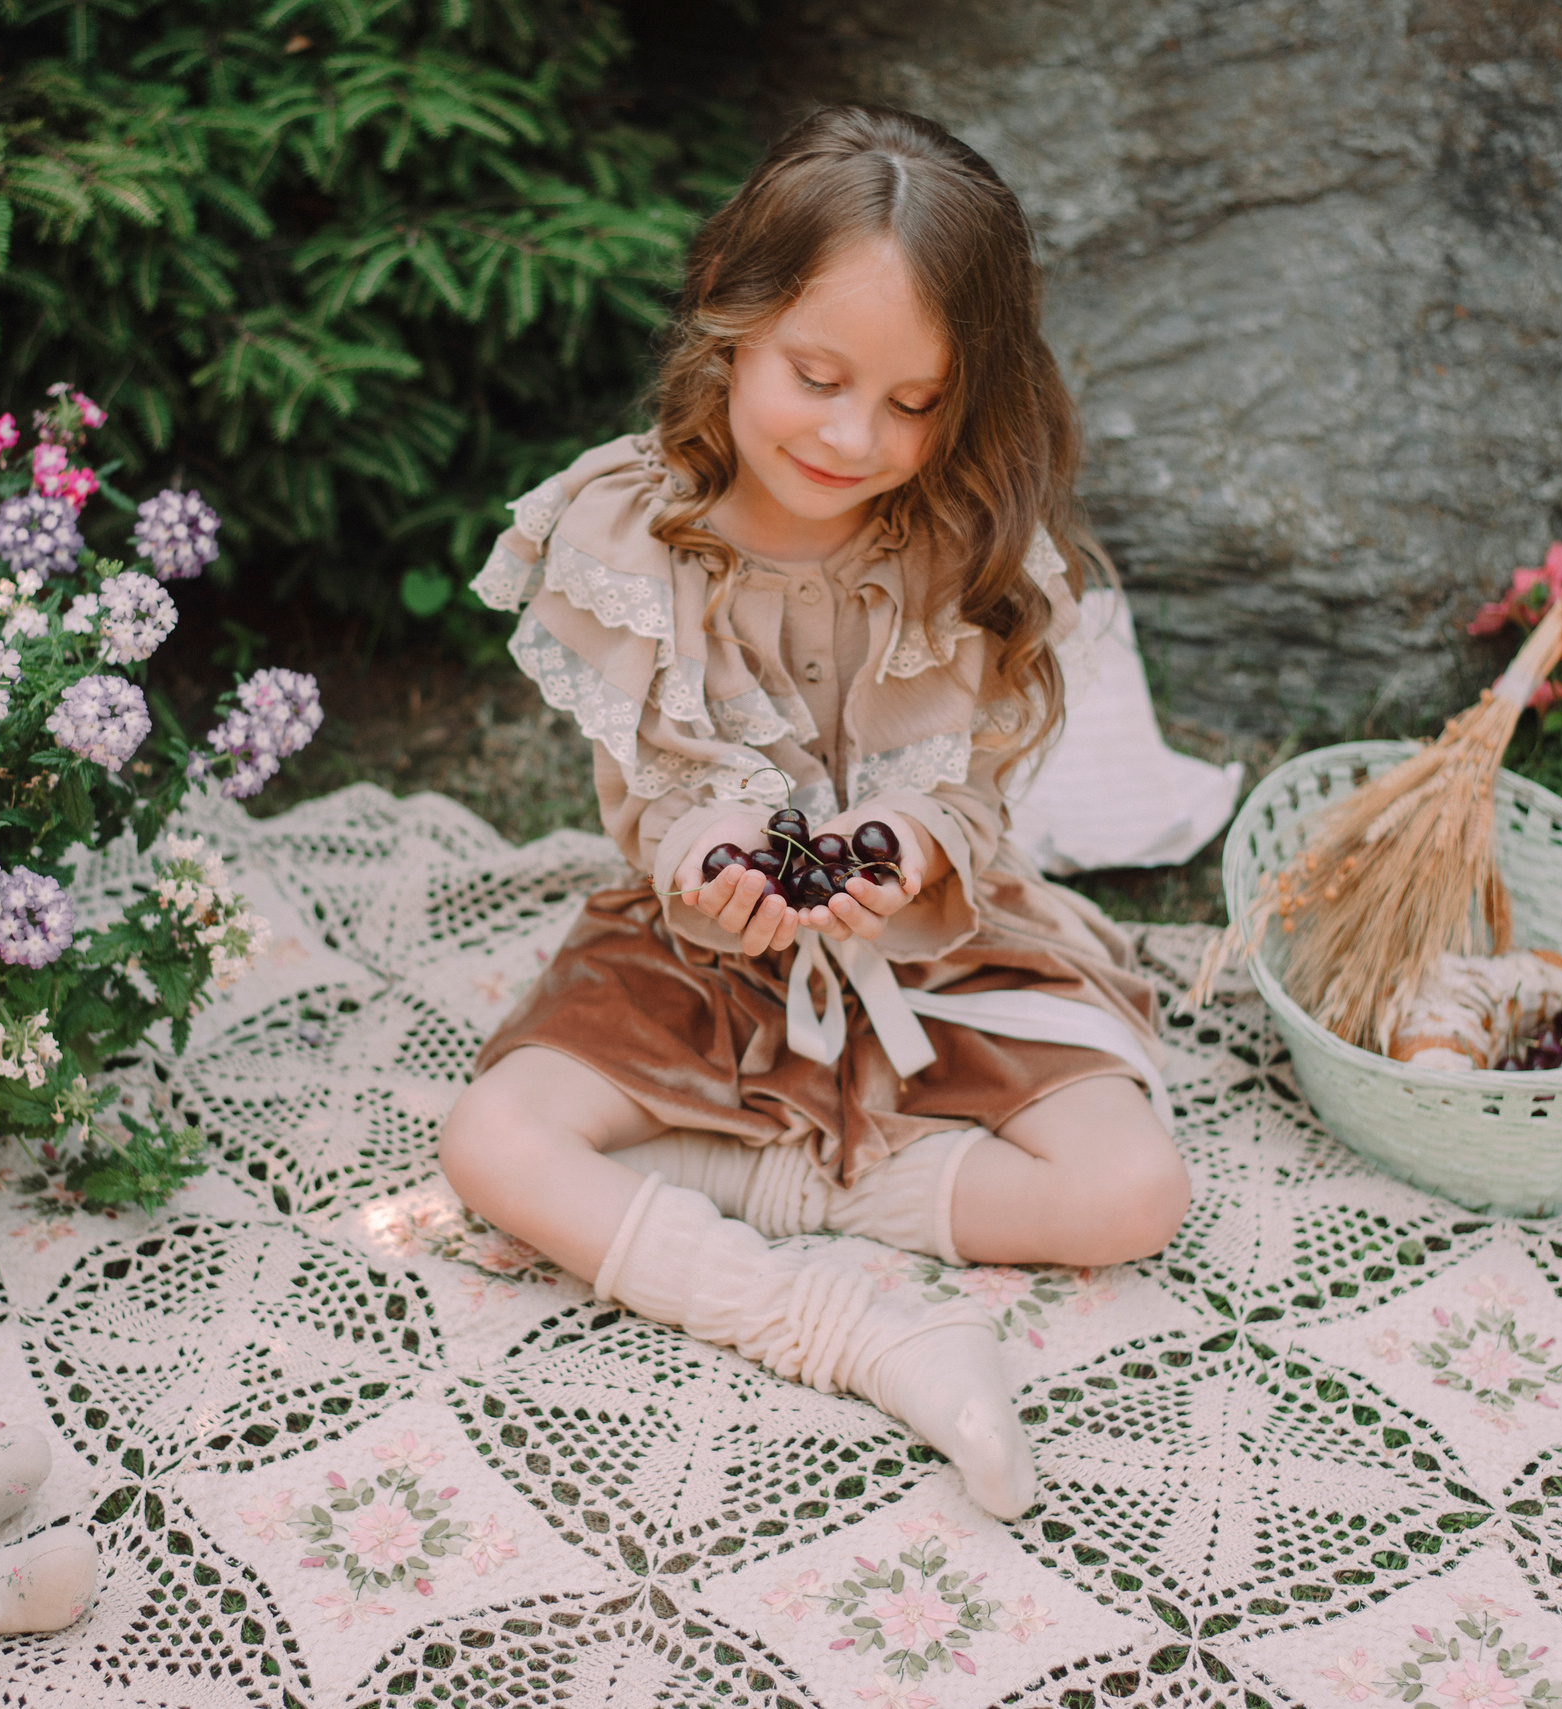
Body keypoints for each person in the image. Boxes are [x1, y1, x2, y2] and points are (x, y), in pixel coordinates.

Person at [437, 105, 1191, 1521]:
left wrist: (910, 846)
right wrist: (709, 856)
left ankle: (741, 1172)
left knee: (1132, 1190)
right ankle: (865, 1332)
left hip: (927, 954)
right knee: (490, 1140)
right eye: (817, 376)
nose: (856, 435)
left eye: (916, 403)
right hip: (701, 956)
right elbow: (658, 783)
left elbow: (961, 779)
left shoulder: (964, 538)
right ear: (732, 317)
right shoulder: (631, 529)